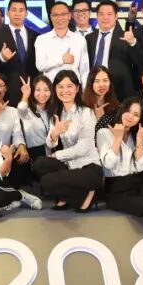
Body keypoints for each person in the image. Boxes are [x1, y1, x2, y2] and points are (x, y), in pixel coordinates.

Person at [33, 70, 104, 211]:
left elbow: (83, 148)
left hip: (89, 167)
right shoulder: (57, 113)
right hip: (70, 165)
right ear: (55, 90)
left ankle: (90, 190)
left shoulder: (86, 113)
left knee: (46, 182)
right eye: (60, 87)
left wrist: (56, 155)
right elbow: (50, 142)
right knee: (39, 164)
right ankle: (77, 193)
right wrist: (55, 133)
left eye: (69, 86)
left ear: (77, 88)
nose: (65, 90)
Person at [86, 0, 137, 101]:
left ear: (116, 16)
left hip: (119, 91)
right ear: (97, 16)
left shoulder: (126, 37)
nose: (105, 17)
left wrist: (132, 43)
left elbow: (139, 61)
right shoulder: (89, 38)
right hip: (93, 90)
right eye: (101, 14)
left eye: (109, 14)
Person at [35, 1, 89, 86]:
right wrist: (61, 60)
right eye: (55, 15)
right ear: (51, 17)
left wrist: (85, 90)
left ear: (69, 16)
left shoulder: (80, 40)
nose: (60, 18)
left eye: (63, 14)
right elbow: (40, 66)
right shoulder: (41, 39)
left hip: (73, 88)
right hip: (50, 87)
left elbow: (84, 71)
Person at [0, 0, 39, 86]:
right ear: (7, 13)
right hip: (8, 87)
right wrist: (2, 57)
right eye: (14, 10)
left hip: (31, 87)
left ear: (26, 13)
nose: (17, 14)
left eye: (21, 10)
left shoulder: (35, 36)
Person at [16, 74, 55, 183]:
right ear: (33, 91)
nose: (42, 93)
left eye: (46, 90)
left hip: (50, 152)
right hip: (33, 154)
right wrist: (25, 95)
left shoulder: (52, 110)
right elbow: (21, 109)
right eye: (38, 90)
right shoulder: (27, 111)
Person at [0, 72, 25, 150]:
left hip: (7, 154)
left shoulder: (13, 111)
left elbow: (17, 134)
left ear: (5, 88)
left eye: (0, 86)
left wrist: (21, 145)